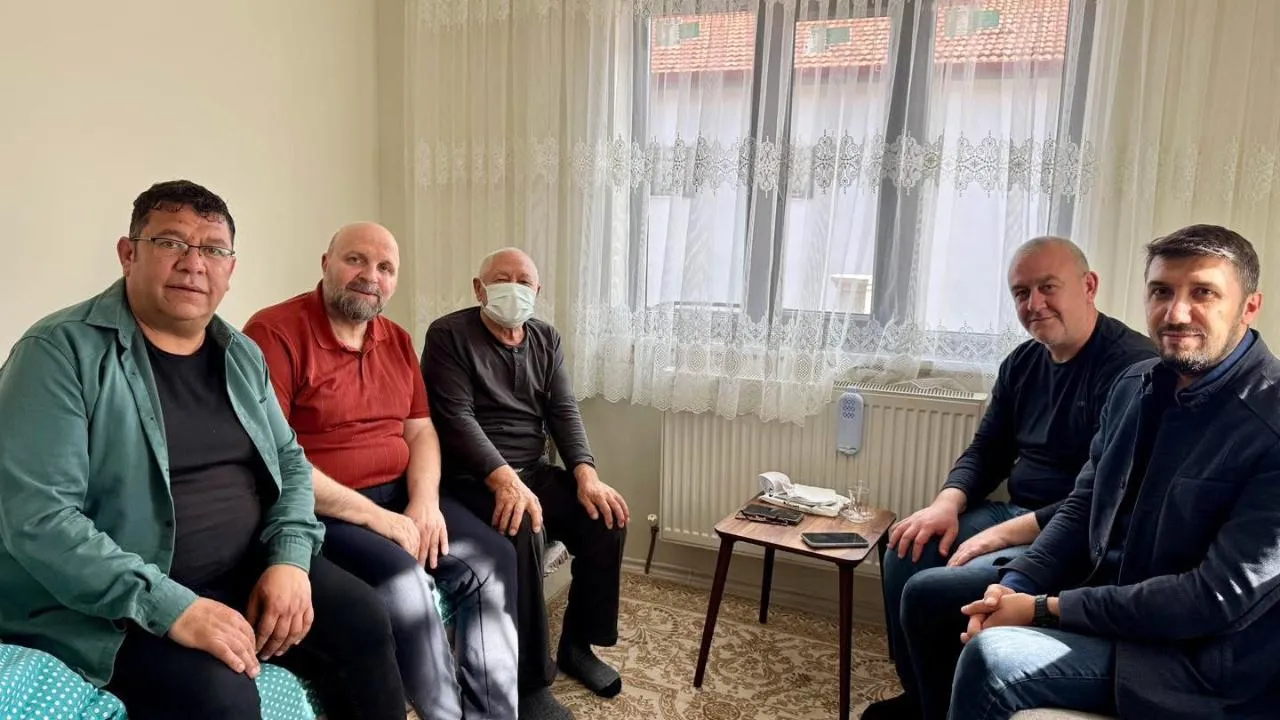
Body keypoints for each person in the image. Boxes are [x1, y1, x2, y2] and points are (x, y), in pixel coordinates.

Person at [0, 180, 406, 720]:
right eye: (171, 242)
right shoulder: (58, 352)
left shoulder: (239, 353)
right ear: (128, 253)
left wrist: (290, 559)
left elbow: (289, 463)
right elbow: (39, 518)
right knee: (221, 694)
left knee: (365, 618)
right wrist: (173, 607)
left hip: (242, 567)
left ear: (230, 269)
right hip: (116, 602)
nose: (194, 263)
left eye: (213, 249)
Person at [950, 224, 1280, 719]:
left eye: (1203, 293)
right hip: (1112, 598)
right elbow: (1084, 505)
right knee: (935, 599)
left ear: (1249, 307)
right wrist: (1015, 584)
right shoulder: (1134, 386)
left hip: (1191, 658)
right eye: (1161, 292)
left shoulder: (1270, 423)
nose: (1176, 313)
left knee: (994, 659)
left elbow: (1213, 597)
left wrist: (1044, 608)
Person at [864, 237, 1155, 720]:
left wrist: (998, 536)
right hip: (1013, 510)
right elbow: (988, 449)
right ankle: (920, 694)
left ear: (1089, 286)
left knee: (932, 588)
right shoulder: (1023, 362)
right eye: (1021, 293)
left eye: (1048, 287)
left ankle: (943, 700)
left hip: (1072, 533)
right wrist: (946, 503)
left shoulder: (1131, 370)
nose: (1034, 304)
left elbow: (1105, 499)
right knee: (906, 546)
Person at [243, 223, 520, 720]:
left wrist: (425, 503)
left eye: (385, 267)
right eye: (356, 260)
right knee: (405, 582)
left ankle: (493, 714)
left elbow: (421, 431)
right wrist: (379, 519)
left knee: (493, 559)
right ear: (326, 263)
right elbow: (276, 459)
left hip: (399, 493)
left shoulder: (397, 339)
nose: (370, 275)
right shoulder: (274, 332)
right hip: (326, 509)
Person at [422, 247, 630, 720]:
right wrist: (503, 480)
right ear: (479, 289)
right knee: (522, 527)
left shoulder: (545, 338)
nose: (513, 288)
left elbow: (563, 411)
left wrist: (587, 475)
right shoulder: (449, 335)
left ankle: (578, 645)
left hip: (532, 472)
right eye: (501, 279)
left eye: (524, 281)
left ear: (537, 290)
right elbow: (455, 418)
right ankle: (528, 680)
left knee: (606, 519)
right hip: (472, 478)